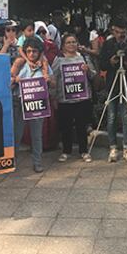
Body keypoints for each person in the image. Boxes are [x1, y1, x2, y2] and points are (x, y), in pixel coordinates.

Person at [52, 33, 96, 162]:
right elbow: (53, 78)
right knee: (66, 126)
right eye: (68, 42)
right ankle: (66, 151)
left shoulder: (83, 57)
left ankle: (84, 151)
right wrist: (53, 96)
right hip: (64, 99)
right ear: (63, 45)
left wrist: (87, 70)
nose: (71, 45)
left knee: (82, 126)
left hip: (82, 98)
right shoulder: (58, 59)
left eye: (73, 42)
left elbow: (93, 75)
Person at [12, 37, 53, 172]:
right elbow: (8, 80)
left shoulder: (44, 64)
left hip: (37, 103)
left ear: (40, 52)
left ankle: (37, 162)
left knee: (36, 135)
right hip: (19, 102)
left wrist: (48, 79)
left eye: (34, 51)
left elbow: (54, 83)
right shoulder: (20, 63)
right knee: (17, 134)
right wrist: (16, 79)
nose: (31, 54)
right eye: (28, 51)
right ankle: (13, 161)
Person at [99, 17, 127, 163]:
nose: (119, 35)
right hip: (113, 84)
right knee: (111, 116)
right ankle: (113, 147)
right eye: (116, 32)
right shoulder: (108, 44)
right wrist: (110, 62)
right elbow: (102, 64)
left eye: (122, 32)